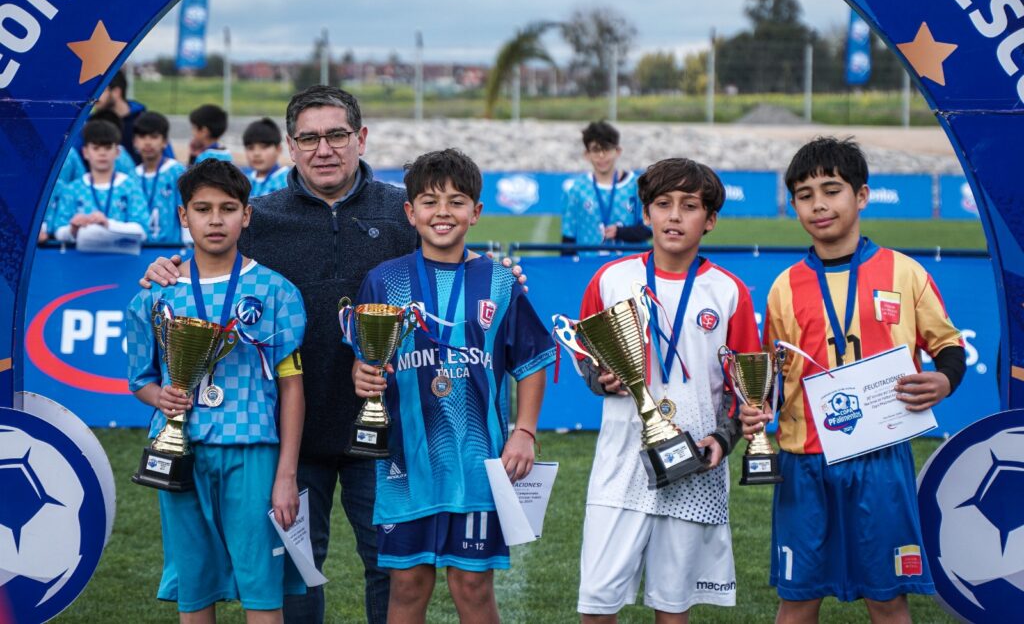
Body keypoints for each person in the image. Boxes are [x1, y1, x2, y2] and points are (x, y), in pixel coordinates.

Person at [143, 86, 525, 623]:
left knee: (392, 573)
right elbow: (215, 265)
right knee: (296, 575)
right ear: (292, 145)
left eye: (337, 135)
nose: (325, 149)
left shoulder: (404, 209)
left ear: (361, 138)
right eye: (309, 138)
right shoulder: (262, 216)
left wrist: (489, 268)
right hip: (290, 432)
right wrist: (170, 269)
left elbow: (450, 256)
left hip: (388, 432)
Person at [738, 137, 966, 623]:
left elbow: (947, 345)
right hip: (806, 461)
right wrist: (759, 407)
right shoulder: (784, 286)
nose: (818, 204)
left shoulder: (903, 272)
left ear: (860, 196)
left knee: (887, 599)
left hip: (880, 457)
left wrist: (945, 380)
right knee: (797, 601)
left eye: (831, 189)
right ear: (794, 205)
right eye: (804, 194)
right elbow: (774, 374)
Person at [352, 149, 555, 623]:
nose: (442, 212)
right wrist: (361, 375)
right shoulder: (384, 281)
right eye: (429, 201)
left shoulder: (501, 282)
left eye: (456, 201)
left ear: (476, 213)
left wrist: (524, 431)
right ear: (410, 212)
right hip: (405, 465)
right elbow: (365, 363)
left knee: (473, 586)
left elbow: (533, 360)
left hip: (477, 465)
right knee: (406, 584)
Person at [573, 158, 760, 622]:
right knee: (597, 606)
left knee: (672, 609)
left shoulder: (729, 292)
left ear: (710, 220)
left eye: (689, 206)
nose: (675, 215)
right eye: (663, 204)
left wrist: (722, 438)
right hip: (620, 466)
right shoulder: (610, 280)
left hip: (694, 468)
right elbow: (585, 358)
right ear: (645, 214)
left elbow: (746, 392)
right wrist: (601, 378)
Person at [127, 158, 306, 621]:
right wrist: (159, 398)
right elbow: (142, 381)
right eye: (202, 209)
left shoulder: (276, 292)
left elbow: (291, 387)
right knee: (195, 587)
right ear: (183, 216)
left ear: (246, 215)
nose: (215, 219)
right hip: (179, 452)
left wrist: (286, 473)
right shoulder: (154, 293)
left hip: (254, 450)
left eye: (227, 208)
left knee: (263, 590)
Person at [52, 118, 149, 246]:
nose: (102, 153)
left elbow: (142, 231)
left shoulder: (130, 187)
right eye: (96, 148)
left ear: (117, 152)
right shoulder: (73, 189)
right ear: (85, 152)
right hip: (80, 261)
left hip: (123, 261)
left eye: (108, 148)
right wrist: (72, 230)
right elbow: (57, 230)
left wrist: (108, 224)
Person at [561, 121, 650, 255]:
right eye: (596, 150)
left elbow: (648, 229)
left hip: (629, 267)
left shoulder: (636, 185)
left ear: (618, 151)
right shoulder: (578, 189)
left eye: (607, 149)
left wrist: (621, 232)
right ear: (587, 154)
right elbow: (568, 236)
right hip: (589, 267)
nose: (602, 155)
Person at [133, 111, 186, 244]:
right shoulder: (131, 177)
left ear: (165, 142)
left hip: (171, 249)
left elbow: (188, 211)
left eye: (154, 136)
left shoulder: (177, 172)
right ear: (135, 142)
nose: (148, 142)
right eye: (142, 136)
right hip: (140, 250)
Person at [242, 117, 289, 198]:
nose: (256, 153)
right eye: (250, 148)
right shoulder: (244, 180)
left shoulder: (288, 181)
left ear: (278, 149)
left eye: (263, 147)